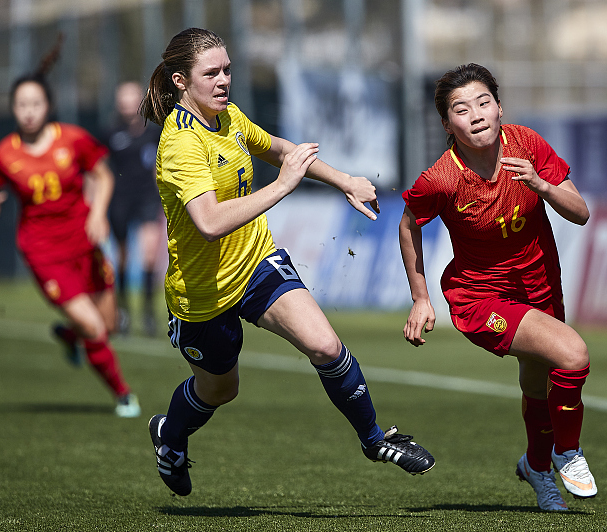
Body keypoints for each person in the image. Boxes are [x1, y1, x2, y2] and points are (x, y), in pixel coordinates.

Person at [139, 28, 434, 497]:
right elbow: (210, 222)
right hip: (202, 292)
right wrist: (281, 187)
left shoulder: (228, 117)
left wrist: (345, 181)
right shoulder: (180, 145)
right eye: (210, 73)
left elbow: (279, 150)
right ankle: (169, 436)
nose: (223, 81)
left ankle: (376, 440)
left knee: (326, 347)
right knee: (220, 390)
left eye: (228, 70)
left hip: (256, 262)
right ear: (180, 81)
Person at [398, 63, 595, 511]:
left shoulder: (526, 143)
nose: (476, 114)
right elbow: (409, 226)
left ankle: (536, 468)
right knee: (573, 355)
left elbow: (580, 212)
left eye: (484, 102)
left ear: (500, 107)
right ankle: (567, 453)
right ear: (448, 125)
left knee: (538, 379)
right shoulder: (441, 179)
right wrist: (420, 298)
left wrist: (541, 184)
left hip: (541, 285)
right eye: (461, 109)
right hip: (480, 298)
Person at [0, 49, 141, 419]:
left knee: (109, 326)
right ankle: (123, 395)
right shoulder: (4, 154)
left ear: (47, 105)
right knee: (95, 327)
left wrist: (97, 214)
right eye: (21, 104)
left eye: (35, 102)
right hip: (43, 252)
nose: (29, 110)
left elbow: (104, 175)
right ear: (13, 109)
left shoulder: (73, 139)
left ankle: (69, 336)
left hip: (86, 242)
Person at [104, 81, 164, 336]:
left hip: (147, 199)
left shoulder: (154, 131)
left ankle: (149, 314)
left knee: (150, 256)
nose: (127, 102)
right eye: (122, 97)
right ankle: (123, 314)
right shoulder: (109, 133)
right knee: (123, 259)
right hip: (119, 202)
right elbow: (99, 171)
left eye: (131, 96)